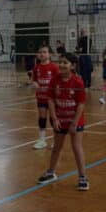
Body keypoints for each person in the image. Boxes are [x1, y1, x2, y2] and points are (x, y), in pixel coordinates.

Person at [37, 53, 88, 191]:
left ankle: (82, 177)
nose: (61, 65)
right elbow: (50, 99)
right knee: (56, 147)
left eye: (65, 62)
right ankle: (51, 172)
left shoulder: (78, 82)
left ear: (73, 66)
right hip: (60, 119)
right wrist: (54, 117)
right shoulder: (55, 80)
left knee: (76, 147)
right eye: (60, 62)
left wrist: (74, 123)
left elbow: (81, 104)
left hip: (74, 119)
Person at [32, 45, 59, 149]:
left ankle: (56, 141)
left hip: (52, 99)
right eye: (40, 52)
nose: (42, 54)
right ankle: (42, 140)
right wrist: (35, 83)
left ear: (50, 54)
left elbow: (58, 81)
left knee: (53, 119)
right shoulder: (37, 67)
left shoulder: (54, 67)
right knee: (42, 118)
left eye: (44, 52)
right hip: (41, 97)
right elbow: (34, 79)